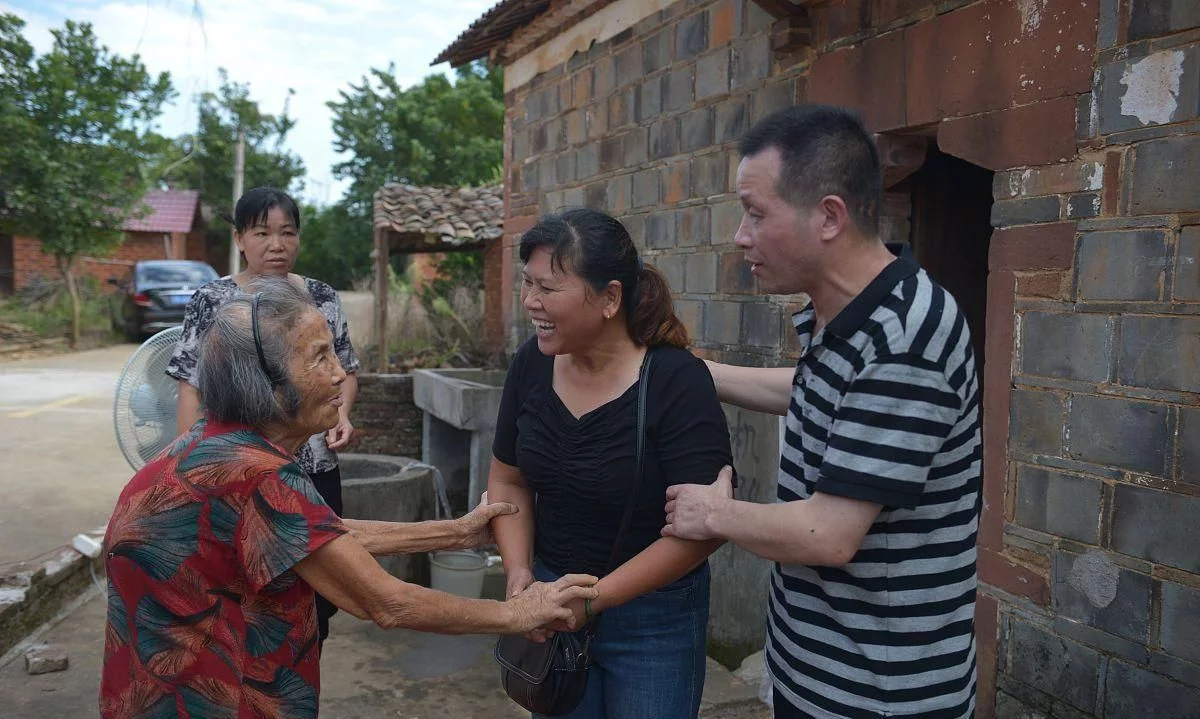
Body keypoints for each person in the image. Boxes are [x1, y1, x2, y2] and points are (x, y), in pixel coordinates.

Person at [101, 277, 598, 719]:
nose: (340, 374)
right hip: (212, 699)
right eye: (319, 357)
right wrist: (518, 613)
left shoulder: (214, 443)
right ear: (266, 387)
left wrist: (453, 531)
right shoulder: (256, 475)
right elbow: (385, 602)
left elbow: (319, 534)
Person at [662, 105, 981, 719]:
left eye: (756, 214)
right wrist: (696, 374)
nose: (740, 235)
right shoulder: (847, 314)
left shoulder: (905, 337)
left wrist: (714, 513)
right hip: (819, 671)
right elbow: (819, 393)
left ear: (829, 216)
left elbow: (828, 535)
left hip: (878, 691)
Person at [488, 208, 733, 719]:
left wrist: (595, 601)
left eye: (548, 288)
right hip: (553, 600)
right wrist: (519, 575)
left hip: (654, 617)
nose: (531, 303)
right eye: (527, 284)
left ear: (610, 298)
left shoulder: (675, 381)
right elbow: (508, 478)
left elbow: (704, 528)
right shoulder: (531, 364)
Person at [166, 186, 356, 645]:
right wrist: (190, 459)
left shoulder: (320, 296)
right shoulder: (213, 300)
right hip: (238, 470)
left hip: (312, 466)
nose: (277, 244)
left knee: (320, 585)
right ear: (239, 239)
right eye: (262, 233)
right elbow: (191, 384)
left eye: (287, 233)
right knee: (246, 583)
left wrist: (343, 413)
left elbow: (345, 370)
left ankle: (304, 665)